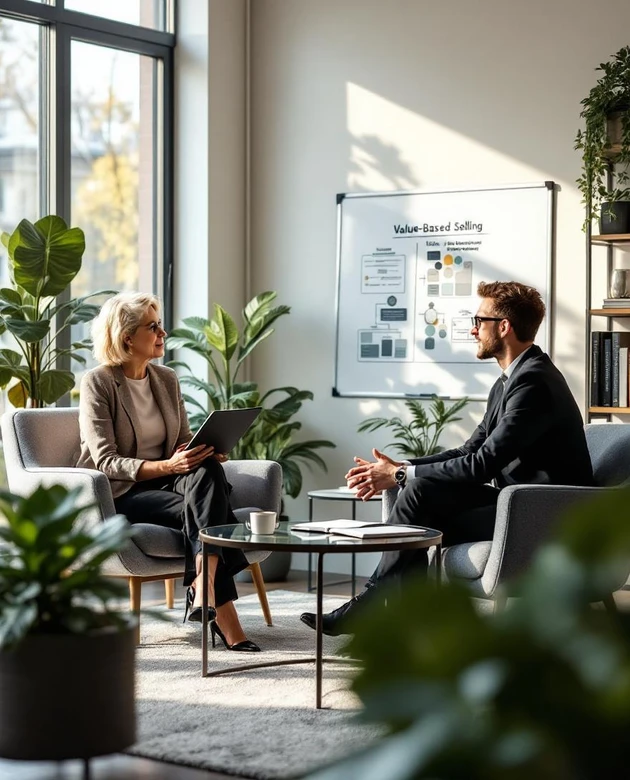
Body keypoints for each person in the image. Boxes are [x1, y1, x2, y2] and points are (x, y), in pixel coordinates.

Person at [300, 280, 594, 636]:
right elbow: (469, 450)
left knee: (416, 506)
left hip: (542, 513)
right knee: (418, 495)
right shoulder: (509, 381)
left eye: (479, 320)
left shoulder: (534, 383)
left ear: (504, 326)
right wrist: (403, 469)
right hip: (515, 504)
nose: (473, 329)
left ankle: (383, 609)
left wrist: (398, 474)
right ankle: (408, 621)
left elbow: (483, 464)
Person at [77, 292, 260, 652]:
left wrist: (206, 449)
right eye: (153, 327)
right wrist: (168, 466)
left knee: (208, 468)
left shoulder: (166, 378)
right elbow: (106, 461)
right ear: (127, 337)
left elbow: (182, 441)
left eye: (160, 324)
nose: (163, 333)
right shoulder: (98, 382)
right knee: (211, 510)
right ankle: (222, 612)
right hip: (122, 493)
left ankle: (203, 585)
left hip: (169, 483)